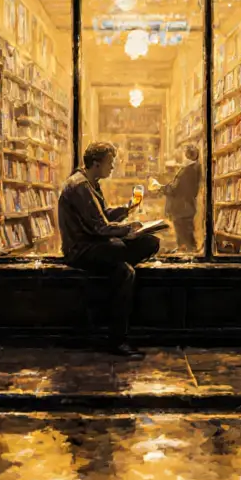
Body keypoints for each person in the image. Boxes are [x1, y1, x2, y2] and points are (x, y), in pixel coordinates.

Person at [58, 141, 159, 358]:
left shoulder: (90, 182)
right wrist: (129, 229)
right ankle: (118, 341)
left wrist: (127, 209)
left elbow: (102, 215)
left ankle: (117, 340)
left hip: (95, 246)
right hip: (82, 250)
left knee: (126, 269)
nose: (112, 167)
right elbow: (100, 227)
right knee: (144, 244)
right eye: (109, 162)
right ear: (96, 163)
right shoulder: (80, 186)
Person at [155, 145, 202, 253]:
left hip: (182, 210)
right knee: (186, 238)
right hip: (186, 208)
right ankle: (189, 256)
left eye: (182, 153)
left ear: (187, 156)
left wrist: (159, 187)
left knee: (184, 240)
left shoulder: (187, 171)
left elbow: (174, 189)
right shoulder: (192, 169)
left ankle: (189, 260)